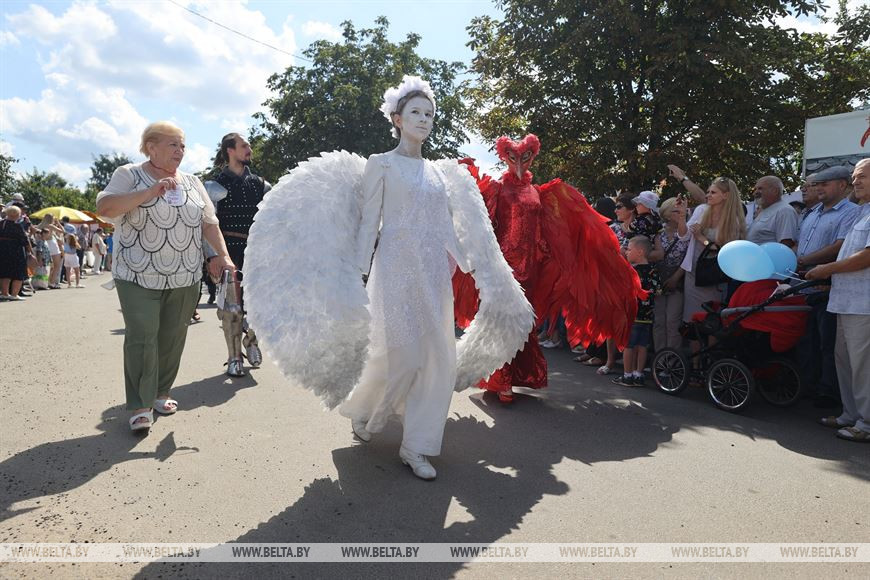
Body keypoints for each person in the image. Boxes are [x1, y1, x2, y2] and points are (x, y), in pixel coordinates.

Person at [243, 76, 534, 480]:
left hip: (433, 271)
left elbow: (444, 224)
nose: (425, 120)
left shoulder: (439, 173)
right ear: (397, 119)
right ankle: (367, 410)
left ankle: (417, 446)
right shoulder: (380, 164)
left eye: (430, 114)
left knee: (438, 359)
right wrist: (357, 270)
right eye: (416, 113)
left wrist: (469, 261)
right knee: (399, 354)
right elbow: (369, 223)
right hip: (395, 266)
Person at [452, 136, 645, 403]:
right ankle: (501, 380)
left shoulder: (538, 193)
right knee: (503, 319)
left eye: (525, 157)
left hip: (532, 268)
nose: (519, 163)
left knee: (523, 323)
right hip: (503, 267)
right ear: (504, 157)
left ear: (532, 156)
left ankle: (517, 375)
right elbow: (485, 227)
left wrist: (547, 255)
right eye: (513, 157)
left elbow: (545, 230)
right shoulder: (497, 189)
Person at [96, 121, 234, 433]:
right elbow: (106, 207)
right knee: (143, 334)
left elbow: (208, 222)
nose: (180, 151)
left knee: (173, 335)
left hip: (184, 273)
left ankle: (160, 392)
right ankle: (140, 404)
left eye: (182, 145)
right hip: (136, 272)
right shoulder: (128, 174)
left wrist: (221, 255)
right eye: (173, 144)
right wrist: (149, 191)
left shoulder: (193, 182)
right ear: (151, 147)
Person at [806, 159, 870, 443]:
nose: (856, 182)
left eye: (863, 177)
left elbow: (867, 257)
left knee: (862, 364)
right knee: (843, 360)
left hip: (863, 303)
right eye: (855, 177)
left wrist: (826, 269)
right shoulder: (861, 212)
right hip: (843, 299)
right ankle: (850, 414)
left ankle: (866, 423)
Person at [205, 133, 271, 376]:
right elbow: (206, 223)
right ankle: (234, 359)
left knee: (259, 307)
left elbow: (273, 222)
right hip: (227, 251)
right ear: (230, 150)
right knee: (232, 310)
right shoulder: (213, 186)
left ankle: (251, 340)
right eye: (244, 146)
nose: (249, 150)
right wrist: (212, 256)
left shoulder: (262, 185)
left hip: (256, 253)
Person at [795, 166, 860, 408]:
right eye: (817, 184)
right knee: (807, 341)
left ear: (843, 185)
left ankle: (828, 393)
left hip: (828, 286)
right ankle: (809, 386)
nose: (819, 188)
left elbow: (839, 247)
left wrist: (806, 259)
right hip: (804, 285)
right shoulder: (812, 213)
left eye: (825, 183)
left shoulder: (851, 213)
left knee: (827, 342)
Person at [678, 176, 746, 357]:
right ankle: (694, 364)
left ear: (726, 195)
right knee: (693, 319)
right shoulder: (701, 210)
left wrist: (702, 238)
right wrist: (682, 218)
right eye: (707, 191)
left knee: (712, 320)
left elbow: (723, 249)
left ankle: (710, 363)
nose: (708, 195)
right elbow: (684, 236)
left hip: (715, 275)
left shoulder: (734, 220)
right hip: (694, 272)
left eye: (713, 192)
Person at [611, 236, 660, 386]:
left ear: (639, 252)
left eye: (629, 249)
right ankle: (638, 374)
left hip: (632, 315)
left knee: (628, 345)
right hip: (647, 316)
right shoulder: (654, 270)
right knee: (642, 346)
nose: (626, 252)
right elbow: (658, 291)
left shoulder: (631, 271)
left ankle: (627, 375)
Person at [649, 196, 690, 350]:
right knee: (659, 322)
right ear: (666, 213)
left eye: (681, 210)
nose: (679, 213)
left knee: (673, 322)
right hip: (658, 281)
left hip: (677, 282)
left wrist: (675, 277)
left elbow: (689, 258)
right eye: (675, 211)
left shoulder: (687, 231)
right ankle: (659, 360)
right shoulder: (656, 233)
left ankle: (673, 361)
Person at [746, 175, 798, 247]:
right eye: (755, 189)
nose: (755, 192)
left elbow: (786, 245)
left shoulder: (785, 211)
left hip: (769, 257)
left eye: (760, 188)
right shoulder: (764, 210)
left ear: (775, 191)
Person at [0, 205, 35, 301]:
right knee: (18, 273)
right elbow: (25, 241)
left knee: (5, 272)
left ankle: (4, 293)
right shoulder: (17, 226)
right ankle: (14, 294)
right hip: (16, 251)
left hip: (3, 251)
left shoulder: (1, 224)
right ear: (17, 215)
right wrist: (30, 252)